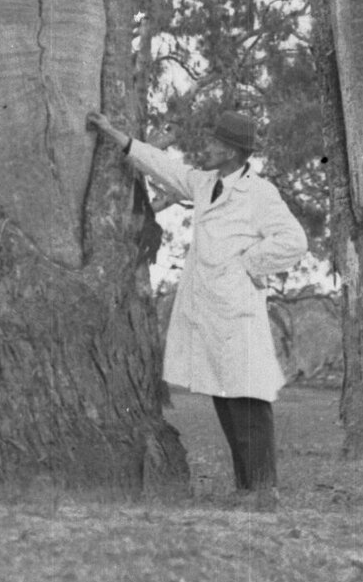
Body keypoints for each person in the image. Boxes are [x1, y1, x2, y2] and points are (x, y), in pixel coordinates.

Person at [87, 101, 307, 506]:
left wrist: (247, 265)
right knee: (225, 396)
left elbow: (294, 241)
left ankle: (263, 489)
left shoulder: (260, 193)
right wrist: (115, 136)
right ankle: (247, 488)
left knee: (250, 397)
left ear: (232, 151)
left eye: (214, 142)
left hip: (238, 309)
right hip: (210, 310)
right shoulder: (206, 184)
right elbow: (163, 167)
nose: (206, 147)